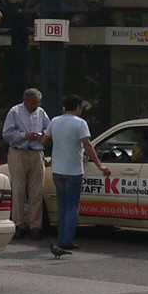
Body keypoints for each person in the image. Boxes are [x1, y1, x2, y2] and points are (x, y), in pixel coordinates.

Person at [44, 94, 109, 254]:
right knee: (72, 206)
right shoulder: (80, 123)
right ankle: (67, 240)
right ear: (78, 107)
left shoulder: (55, 121)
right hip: (73, 171)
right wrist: (99, 165)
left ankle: (61, 238)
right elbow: (87, 145)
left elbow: (44, 140)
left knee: (62, 205)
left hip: (57, 170)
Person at [2, 87, 52, 238]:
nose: (36, 106)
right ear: (26, 101)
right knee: (18, 190)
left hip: (36, 153)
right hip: (19, 152)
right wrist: (25, 135)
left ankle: (35, 226)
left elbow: (49, 130)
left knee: (36, 191)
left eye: (38, 103)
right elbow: (7, 134)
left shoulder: (41, 113)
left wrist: (42, 136)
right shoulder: (15, 112)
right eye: (33, 103)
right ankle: (18, 224)